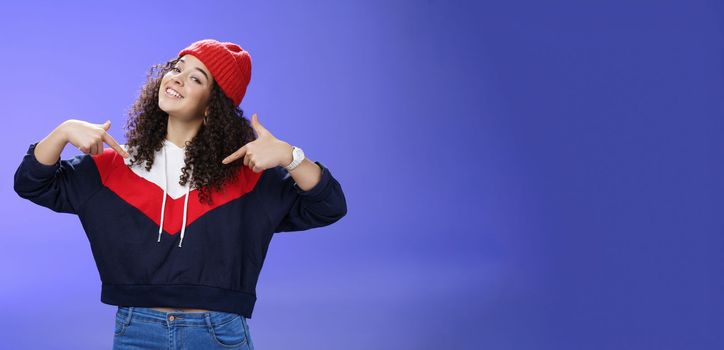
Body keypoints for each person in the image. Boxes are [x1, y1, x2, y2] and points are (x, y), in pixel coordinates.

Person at [13, 38, 348, 349]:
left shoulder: (248, 175)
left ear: (212, 107)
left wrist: (291, 157)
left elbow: (328, 205)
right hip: (135, 330)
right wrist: (61, 132)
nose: (176, 78)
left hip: (218, 333)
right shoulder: (114, 165)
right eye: (176, 68)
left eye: (196, 78)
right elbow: (32, 182)